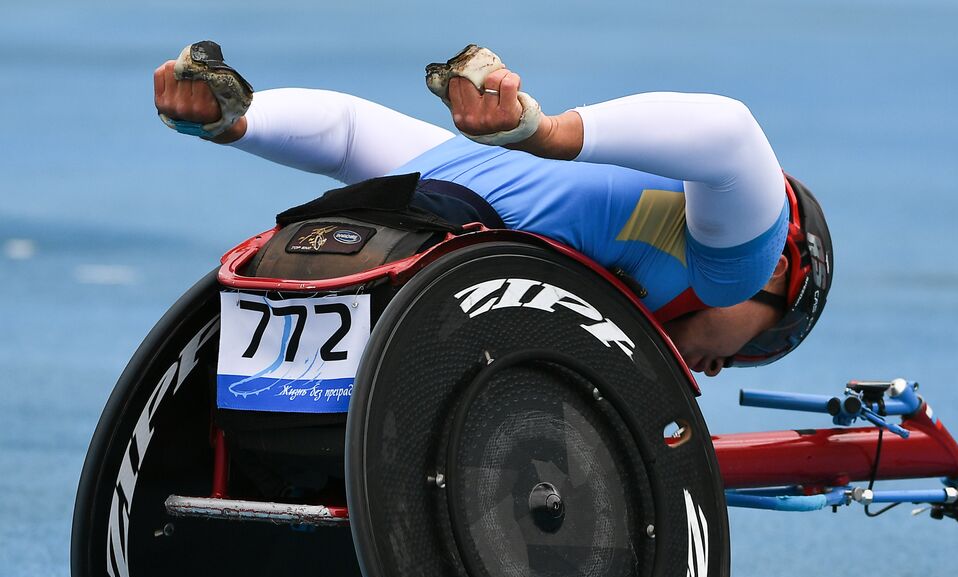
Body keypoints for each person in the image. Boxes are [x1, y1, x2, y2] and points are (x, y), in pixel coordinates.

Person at [153, 43, 832, 377]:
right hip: (449, 247)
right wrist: (546, 133)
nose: (722, 368)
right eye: (762, 345)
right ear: (781, 273)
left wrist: (236, 122)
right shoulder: (736, 268)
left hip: (385, 223)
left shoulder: (482, 169)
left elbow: (349, 133)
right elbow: (732, 133)